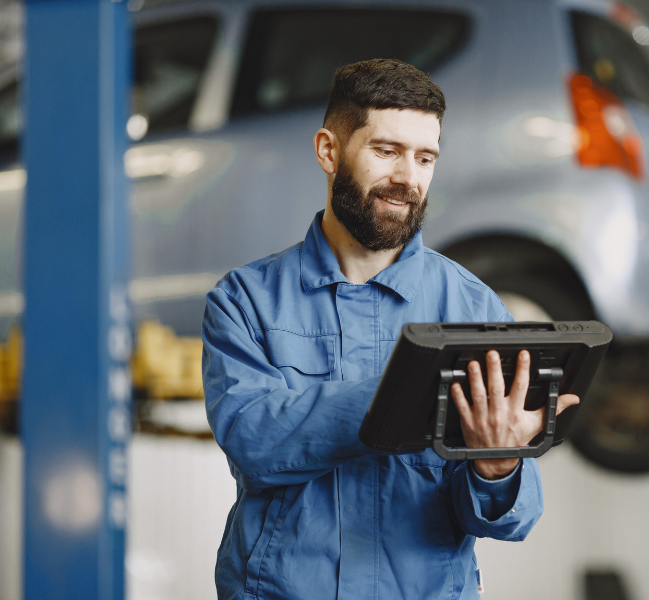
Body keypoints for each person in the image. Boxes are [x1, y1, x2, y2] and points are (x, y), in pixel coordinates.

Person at [202, 58, 579, 600]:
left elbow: (510, 521)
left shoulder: (471, 307)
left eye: (425, 157)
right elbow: (253, 440)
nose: (408, 178)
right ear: (329, 151)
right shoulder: (246, 300)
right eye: (387, 151)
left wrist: (498, 467)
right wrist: (404, 390)